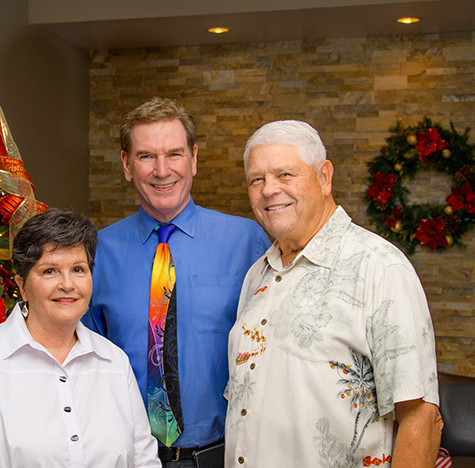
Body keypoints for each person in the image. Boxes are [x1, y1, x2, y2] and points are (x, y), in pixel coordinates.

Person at [225, 120, 443, 467]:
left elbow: (420, 417)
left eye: (285, 175)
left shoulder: (380, 268)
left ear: (324, 177)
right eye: (257, 179)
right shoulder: (257, 275)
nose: (269, 190)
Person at [83, 97, 270, 467]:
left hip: (222, 456)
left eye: (174, 154)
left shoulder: (248, 242)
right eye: (146, 156)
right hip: (125, 456)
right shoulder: (96, 252)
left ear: (194, 159)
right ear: (126, 164)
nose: (162, 170)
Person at [0, 209, 161, 468]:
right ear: (22, 284)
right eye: (50, 271)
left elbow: (144, 461)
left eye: (78, 269)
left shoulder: (114, 361)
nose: (67, 284)